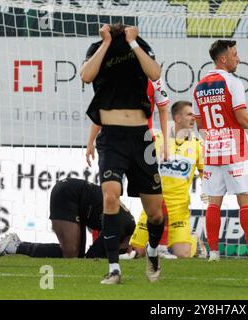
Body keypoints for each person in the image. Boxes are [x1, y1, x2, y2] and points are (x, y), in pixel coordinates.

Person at [81, 23, 167, 284]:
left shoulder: (140, 47)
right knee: (110, 196)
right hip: (112, 138)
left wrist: (133, 43)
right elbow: (86, 76)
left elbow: (155, 73)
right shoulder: (98, 47)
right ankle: (114, 268)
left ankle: (152, 251)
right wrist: (106, 43)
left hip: (141, 138)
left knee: (155, 212)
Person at [192, 40, 248, 262]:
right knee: (245, 200)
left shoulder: (199, 86)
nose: (238, 58)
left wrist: (212, 139)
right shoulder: (233, 82)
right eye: (235, 54)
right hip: (235, 149)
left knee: (214, 202)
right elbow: (242, 117)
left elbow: (199, 123)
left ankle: (213, 254)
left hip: (211, 149)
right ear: (223, 59)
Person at [0, 178, 135, 259]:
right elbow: (93, 257)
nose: (125, 251)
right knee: (70, 253)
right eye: (127, 250)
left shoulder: (127, 223)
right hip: (67, 195)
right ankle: (15, 245)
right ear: (129, 242)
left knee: (76, 257)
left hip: (80, 204)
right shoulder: (119, 228)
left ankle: (16, 245)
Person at [129, 100, 204, 259]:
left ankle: (194, 242)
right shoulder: (156, 138)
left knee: (183, 255)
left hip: (178, 208)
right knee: (137, 253)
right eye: (190, 114)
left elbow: (206, 174)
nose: (194, 118)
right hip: (153, 204)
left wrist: (208, 190)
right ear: (177, 118)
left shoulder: (197, 145)